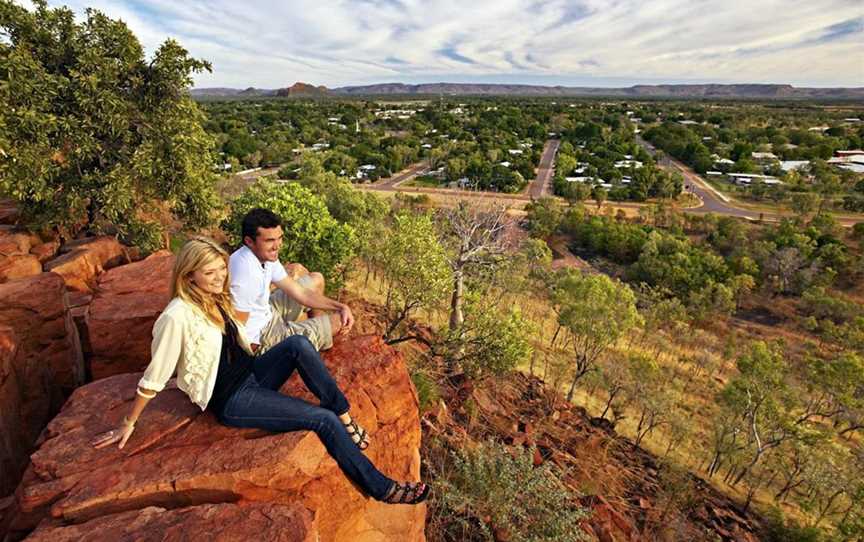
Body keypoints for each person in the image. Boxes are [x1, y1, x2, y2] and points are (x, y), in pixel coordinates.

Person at [92, 238, 429, 505]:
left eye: (220, 270)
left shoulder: (214, 298)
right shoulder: (176, 315)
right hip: (233, 399)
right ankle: (381, 487)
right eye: (209, 273)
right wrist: (128, 423)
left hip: (253, 372)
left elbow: (242, 327)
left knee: (298, 345)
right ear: (188, 275)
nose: (219, 277)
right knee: (319, 419)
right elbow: (155, 373)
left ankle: (342, 412)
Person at [228, 208, 353, 358]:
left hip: (268, 312)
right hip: (263, 337)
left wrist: (340, 306)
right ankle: (313, 345)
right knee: (339, 322)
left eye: (279, 238)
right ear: (249, 241)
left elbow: (300, 293)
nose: (277, 245)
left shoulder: (265, 256)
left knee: (317, 280)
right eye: (269, 240)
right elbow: (238, 329)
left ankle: (317, 340)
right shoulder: (245, 272)